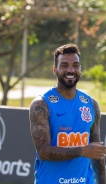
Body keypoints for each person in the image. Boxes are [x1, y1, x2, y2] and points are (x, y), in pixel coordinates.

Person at [29, 43, 106, 184]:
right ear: (55, 70)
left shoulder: (91, 104)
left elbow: (96, 152)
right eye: (64, 65)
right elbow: (43, 151)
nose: (71, 70)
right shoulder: (41, 104)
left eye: (75, 65)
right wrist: (82, 151)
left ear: (80, 69)